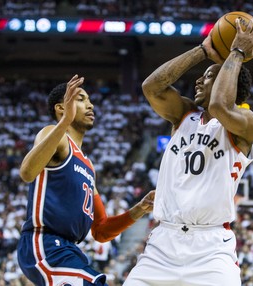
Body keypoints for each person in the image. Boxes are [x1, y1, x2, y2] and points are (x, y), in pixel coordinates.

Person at [123, 18, 253, 286]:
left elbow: (222, 106)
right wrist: (202, 50)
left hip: (211, 250)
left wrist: (236, 53)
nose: (199, 79)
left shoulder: (246, 124)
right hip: (163, 244)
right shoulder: (183, 115)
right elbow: (151, 87)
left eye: (209, 75)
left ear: (228, 81)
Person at [17, 76, 155, 286]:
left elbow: (100, 230)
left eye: (89, 100)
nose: (90, 105)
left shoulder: (89, 167)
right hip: (44, 245)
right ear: (61, 108)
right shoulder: (54, 136)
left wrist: (139, 209)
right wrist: (63, 123)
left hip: (69, 249)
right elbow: (27, 172)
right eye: (80, 99)